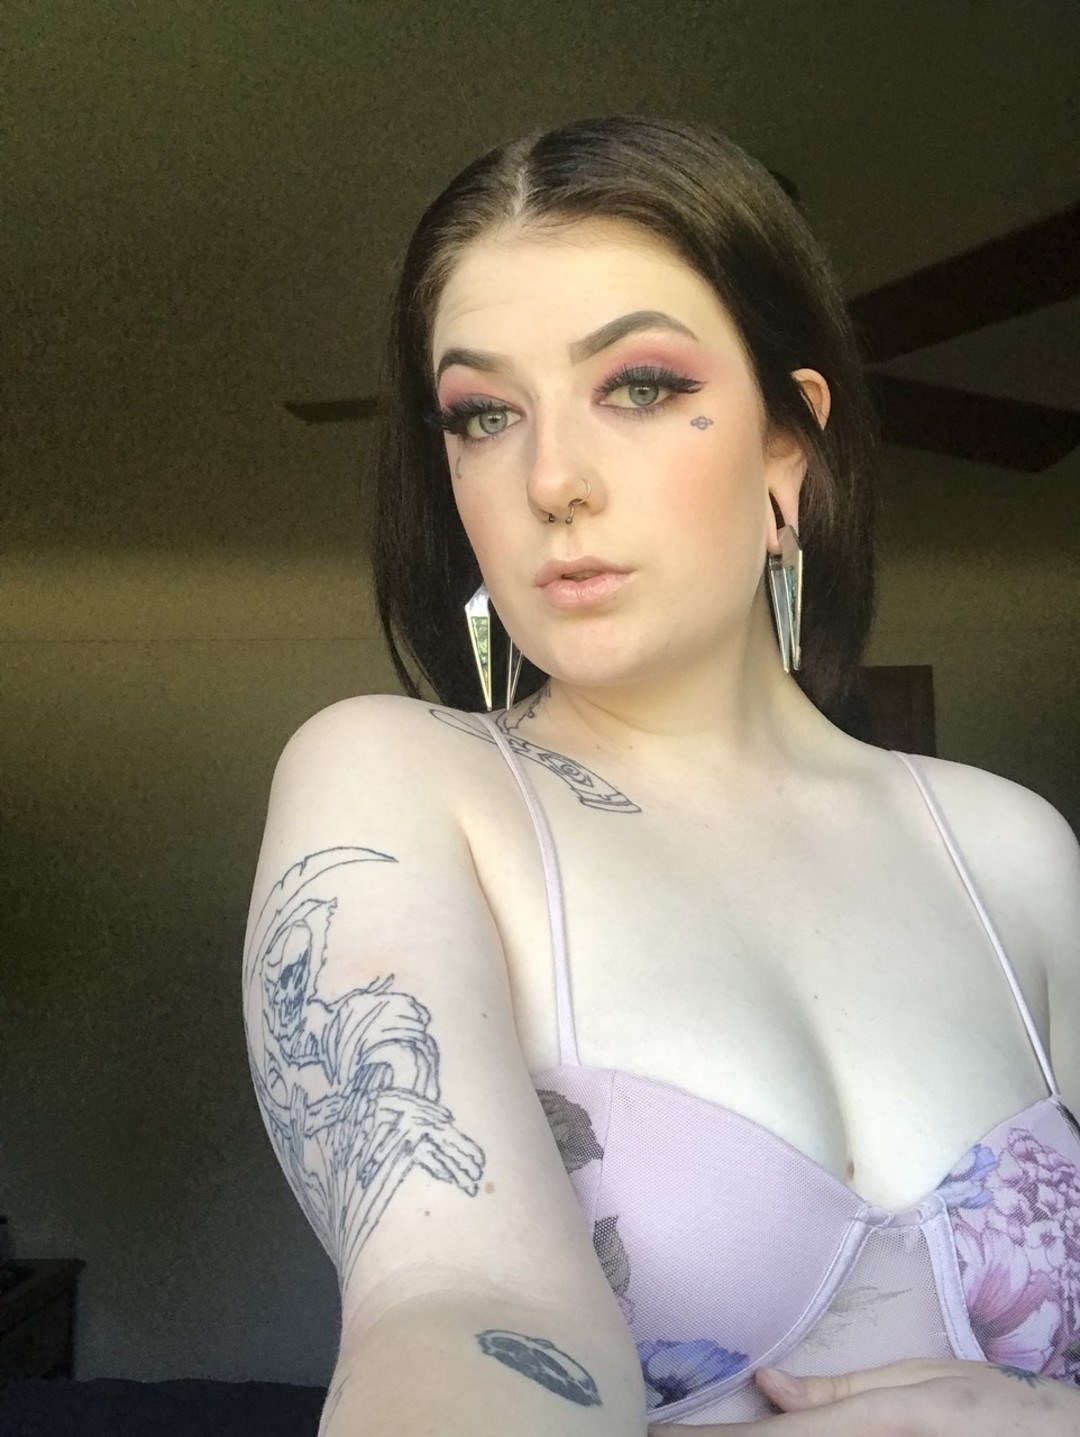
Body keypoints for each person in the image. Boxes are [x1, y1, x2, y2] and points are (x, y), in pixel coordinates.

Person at [242, 116, 1080, 1435]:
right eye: (484, 414)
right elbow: (450, 1305)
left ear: (788, 448)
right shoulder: (400, 780)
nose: (551, 480)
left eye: (635, 385)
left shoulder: (1014, 851)